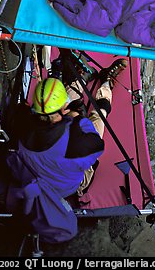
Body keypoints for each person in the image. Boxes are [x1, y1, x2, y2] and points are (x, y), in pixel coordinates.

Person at [12, 58, 128, 199]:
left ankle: (81, 80)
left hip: (33, 179)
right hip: (67, 188)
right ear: (63, 109)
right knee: (99, 115)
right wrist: (79, 119)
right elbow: (98, 146)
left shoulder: (21, 118)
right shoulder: (77, 142)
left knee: (60, 101)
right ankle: (105, 83)